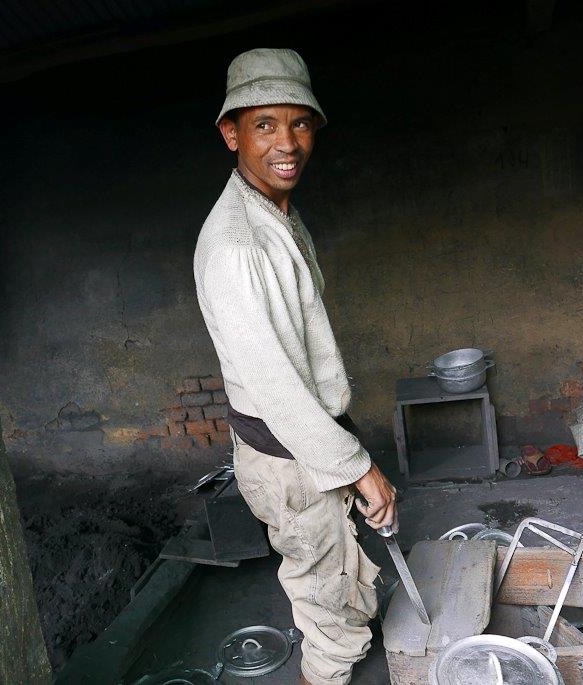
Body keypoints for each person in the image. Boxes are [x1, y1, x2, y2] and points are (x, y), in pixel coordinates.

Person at [193, 48, 397, 685]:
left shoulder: (277, 215)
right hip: (288, 459)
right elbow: (280, 393)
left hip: (305, 446)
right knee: (329, 620)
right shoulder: (238, 246)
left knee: (336, 585)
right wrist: (362, 471)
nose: (288, 143)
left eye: (300, 123)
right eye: (264, 125)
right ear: (232, 134)